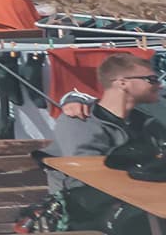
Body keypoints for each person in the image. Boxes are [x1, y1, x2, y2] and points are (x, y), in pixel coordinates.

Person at [45, 53, 163, 234]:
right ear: (122, 83)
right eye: (152, 79)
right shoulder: (80, 121)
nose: (159, 84)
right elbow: (89, 178)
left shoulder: (146, 123)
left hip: (140, 204)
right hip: (85, 211)